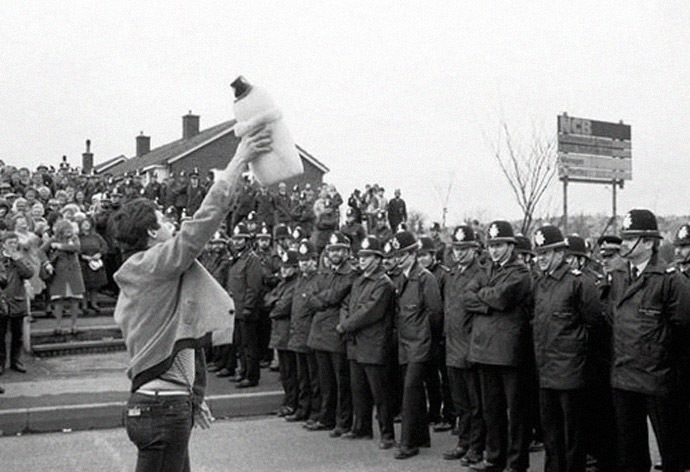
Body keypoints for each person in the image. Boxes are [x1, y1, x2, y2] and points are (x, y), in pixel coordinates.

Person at [111, 124, 271, 472]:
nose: (171, 224)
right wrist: (240, 158)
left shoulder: (141, 274)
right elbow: (203, 222)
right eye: (163, 220)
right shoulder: (155, 264)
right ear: (152, 233)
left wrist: (193, 397)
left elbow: (181, 341)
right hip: (162, 409)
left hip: (160, 403)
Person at [605, 209, 690, 472]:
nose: (625, 244)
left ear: (650, 243)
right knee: (630, 453)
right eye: (625, 238)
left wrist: (666, 366)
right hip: (624, 377)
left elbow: (683, 329)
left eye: (632, 239)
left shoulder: (670, 281)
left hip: (658, 379)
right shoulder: (618, 276)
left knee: (671, 452)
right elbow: (611, 319)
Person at [531, 225, 604, 472]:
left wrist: (581, 361)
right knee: (551, 434)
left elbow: (595, 324)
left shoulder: (579, 282)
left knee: (573, 436)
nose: (541, 258)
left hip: (572, 372)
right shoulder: (541, 283)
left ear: (561, 253)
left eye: (547, 252)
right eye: (538, 253)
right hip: (547, 370)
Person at [466, 220, 532, 472]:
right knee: (491, 409)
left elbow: (503, 298)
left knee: (516, 411)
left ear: (511, 246)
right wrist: (487, 302)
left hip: (509, 351)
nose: (494, 250)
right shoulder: (487, 270)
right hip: (484, 349)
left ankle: (516, 463)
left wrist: (483, 298)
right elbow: (466, 295)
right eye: (492, 245)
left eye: (500, 245)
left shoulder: (520, 272)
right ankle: (494, 458)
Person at [338, 235, 396, 448]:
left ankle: (387, 433)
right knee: (358, 389)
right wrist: (344, 321)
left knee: (380, 392)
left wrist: (345, 325)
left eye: (368, 256)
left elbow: (370, 312)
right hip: (356, 343)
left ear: (378, 259)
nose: (362, 260)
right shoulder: (360, 280)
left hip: (373, 343)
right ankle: (361, 428)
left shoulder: (383, 284)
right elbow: (346, 304)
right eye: (361, 256)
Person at [391, 230, 443, 459]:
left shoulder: (425, 278)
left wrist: (428, 340)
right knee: (412, 390)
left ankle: (408, 443)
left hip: (420, 343)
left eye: (404, 254)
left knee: (410, 390)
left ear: (414, 253)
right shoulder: (401, 278)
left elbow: (435, 313)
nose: (399, 258)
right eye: (396, 254)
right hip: (405, 342)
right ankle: (421, 436)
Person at [442, 225, 486, 466]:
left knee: (476, 404)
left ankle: (476, 448)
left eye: (465, 249)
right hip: (452, 346)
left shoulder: (480, 274)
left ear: (475, 250)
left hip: (471, 346)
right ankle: (464, 442)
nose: (459, 253)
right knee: (461, 403)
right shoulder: (451, 275)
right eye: (457, 248)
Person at [305, 232, 356, 434]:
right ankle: (327, 418)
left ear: (347, 252)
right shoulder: (324, 272)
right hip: (319, 333)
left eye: (339, 250)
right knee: (325, 380)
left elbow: (335, 296)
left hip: (336, 333)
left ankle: (343, 421)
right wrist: (321, 300)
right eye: (332, 250)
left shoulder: (350, 273)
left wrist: (320, 300)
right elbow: (311, 296)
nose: (335, 253)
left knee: (341, 381)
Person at [285, 239, 322, 424]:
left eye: (308, 260)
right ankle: (303, 408)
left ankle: (315, 411)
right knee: (302, 377)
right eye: (301, 260)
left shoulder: (318, 279)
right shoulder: (300, 280)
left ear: (315, 260)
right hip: (298, 334)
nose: (304, 264)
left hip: (311, 335)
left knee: (314, 378)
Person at [225, 222, 264, 388]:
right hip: (236, 309)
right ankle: (243, 371)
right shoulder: (237, 259)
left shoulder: (251, 260)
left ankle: (251, 375)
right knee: (240, 344)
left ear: (247, 240)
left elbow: (253, 286)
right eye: (235, 239)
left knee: (249, 346)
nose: (237, 242)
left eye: (241, 239)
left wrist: (248, 307)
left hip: (246, 310)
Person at [266, 249, 300, 417]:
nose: (284, 271)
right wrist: (274, 303)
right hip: (280, 333)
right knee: (285, 373)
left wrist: (274, 305)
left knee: (291, 373)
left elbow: (282, 307)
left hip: (288, 333)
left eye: (288, 268)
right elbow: (267, 299)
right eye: (283, 268)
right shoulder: (282, 283)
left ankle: (292, 403)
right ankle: (288, 402)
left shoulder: (294, 284)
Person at [0, 231, 34, 375]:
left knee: (17, 333)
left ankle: (16, 360)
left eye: (15, 243)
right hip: (2, 300)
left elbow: (29, 273)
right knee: (0, 335)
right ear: (3, 244)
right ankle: (1, 363)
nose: (13, 246)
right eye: (10, 243)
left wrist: (17, 260)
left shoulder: (20, 258)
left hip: (17, 299)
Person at [44, 219, 85, 334]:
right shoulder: (53, 239)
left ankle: (74, 325)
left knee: (75, 299)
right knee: (58, 300)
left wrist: (60, 246)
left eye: (70, 229)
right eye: (66, 230)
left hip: (74, 272)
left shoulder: (74, 239)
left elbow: (76, 248)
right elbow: (40, 251)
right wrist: (46, 263)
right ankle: (58, 325)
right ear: (60, 230)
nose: (69, 232)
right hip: (59, 273)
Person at [77, 217, 108, 314]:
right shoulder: (78, 237)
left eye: (88, 223)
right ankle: (84, 304)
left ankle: (94, 303)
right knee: (84, 285)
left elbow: (104, 246)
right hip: (83, 263)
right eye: (84, 223)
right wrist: (84, 257)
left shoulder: (96, 236)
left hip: (95, 262)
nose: (86, 225)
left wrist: (99, 254)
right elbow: (75, 249)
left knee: (95, 285)